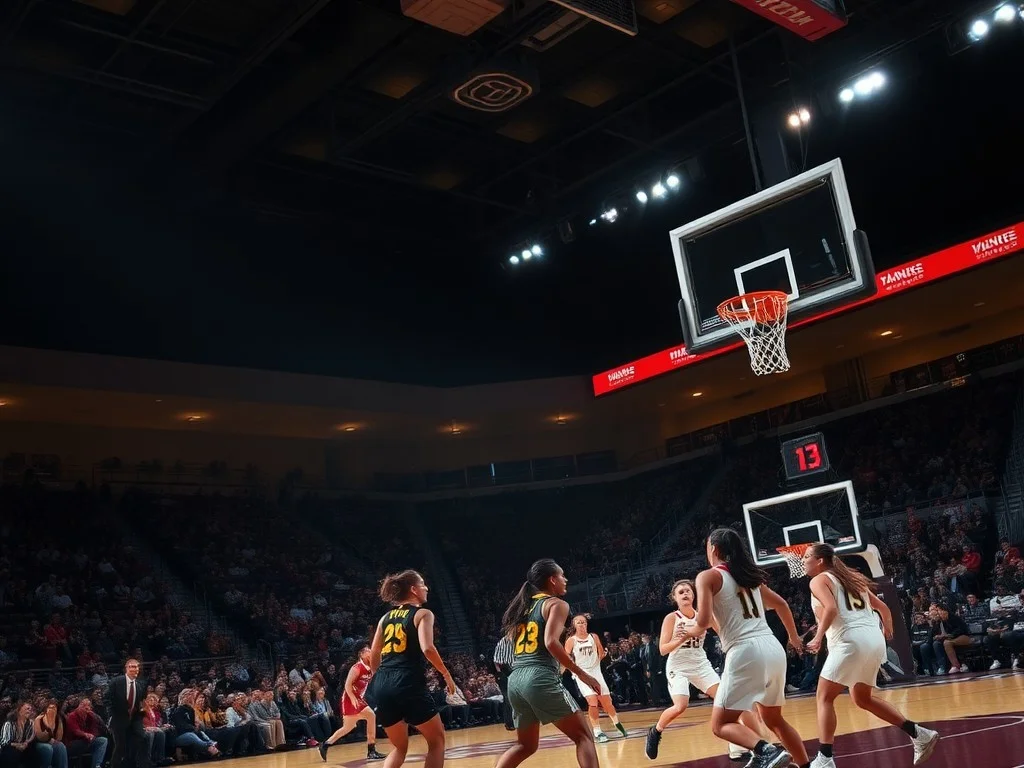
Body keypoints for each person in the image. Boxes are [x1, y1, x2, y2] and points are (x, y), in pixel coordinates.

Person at [801, 544, 940, 768]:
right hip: (873, 641)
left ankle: (825, 759)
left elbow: (831, 609)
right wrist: (887, 631)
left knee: (824, 698)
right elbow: (884, 608)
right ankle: (919, 733)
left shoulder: (818, 580)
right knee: (862, 698)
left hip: (850, 641)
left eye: (807, 556)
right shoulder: (853, 579)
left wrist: (817, 637)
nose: (804, 560)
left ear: (820, 561)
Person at [685, 528, 808, 768]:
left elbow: (701, 624)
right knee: (775, 719)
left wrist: (688, 631)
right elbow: (782, 604)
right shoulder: (750, 579)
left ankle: (766, 750)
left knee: (720, 725)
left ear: (714, 549)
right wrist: (794, 638)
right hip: (772, 647)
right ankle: (806, 765)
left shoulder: (708, 577)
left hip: (745, 651)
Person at [645, 579, 767, 762]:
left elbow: (722, 632)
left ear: (694, 595)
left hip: (700, 664)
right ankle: (656, 731)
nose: (685, 594)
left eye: (688, 591)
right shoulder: (672, 618)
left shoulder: (703, 616)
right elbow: (663, 649)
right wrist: (682, 638)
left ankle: (737, 746)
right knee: (680, 706)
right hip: (678, 666)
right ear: (675, 598)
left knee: (728, 701)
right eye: (681, 592)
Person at [493, 559, 599, 768]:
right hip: (538, 676)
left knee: (525, 746)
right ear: (552, 580)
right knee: (584, 737)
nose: (565, 579)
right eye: (562, 575)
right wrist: (582, 674)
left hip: (515, 680)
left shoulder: (522, 608)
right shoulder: (556, 604)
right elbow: (550, 642)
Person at [368, 569, 454, 768]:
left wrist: (378, 678)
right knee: (437, 740)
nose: (426, 588)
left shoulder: (385, 618)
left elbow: (374, 653)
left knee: (399, 748)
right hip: (406, 681)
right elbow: (428, 648)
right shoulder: (423, 614)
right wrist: (446, 674)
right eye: (423, 584)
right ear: (414, 590)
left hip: (381, 683)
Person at [564, 615, 627, 743]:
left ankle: (617, 724)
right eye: (579, 622)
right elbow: (565, 658)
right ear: (574, 625)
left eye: (584, 622)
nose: (582, 624)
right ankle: (597, 731)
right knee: (592, 700)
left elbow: (601, 653)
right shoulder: (571, 640)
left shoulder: (594, 637)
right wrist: (573, 670)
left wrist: (603, 654)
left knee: (607, 701)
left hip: (595, 671)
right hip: (582, 673)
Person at [319, 646, 386, 761]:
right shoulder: (357, 667)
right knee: (371, 715)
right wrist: (353, 699)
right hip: (350, 698)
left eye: (370, 649)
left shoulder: (370, 667)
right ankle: (371, 750)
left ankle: (325, 744)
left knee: (347, 727)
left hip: (357, 698)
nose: (370, 651)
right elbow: (347, 685)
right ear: (361, 654)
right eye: (367, 650)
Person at [106, 658, 145, 768]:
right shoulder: (116, 681)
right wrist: (112, 714)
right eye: (132, 666)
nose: (135, 669)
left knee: (140, 736)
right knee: (120, 746)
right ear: (126, 668)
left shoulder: (139, 685)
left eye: (137, 667)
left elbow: (138, 704)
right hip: (118, 717)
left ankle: (130, 763)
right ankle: (114, 766)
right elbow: (107, 698)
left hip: (133, 719)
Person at [33, 701, 68, 768]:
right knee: (48, 748)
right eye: (49, 707)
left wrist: (54, 722)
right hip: (40, 742)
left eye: (54, 708)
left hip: (52, 742)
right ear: (46, 709)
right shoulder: (39, 719)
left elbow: (59, 738)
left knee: (61, 746)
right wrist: (49, 737)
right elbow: (39, 737)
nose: (51, 709)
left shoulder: (58, 719)